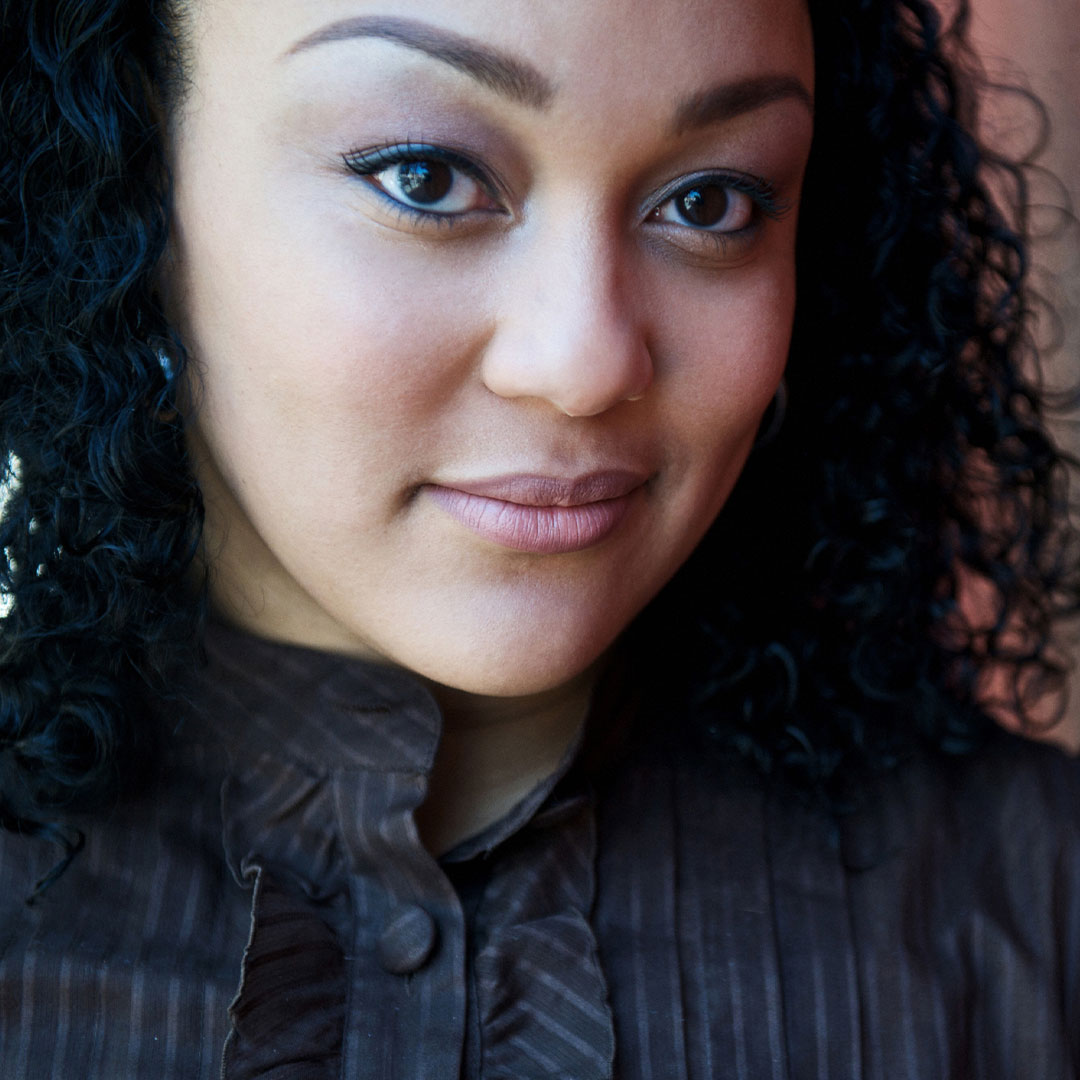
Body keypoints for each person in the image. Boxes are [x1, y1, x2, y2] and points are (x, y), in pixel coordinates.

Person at [1, 0, 1078, 1076]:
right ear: (126, 181)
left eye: (710, 202)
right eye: (424, 177)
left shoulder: (1037, 909)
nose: (585, 365)